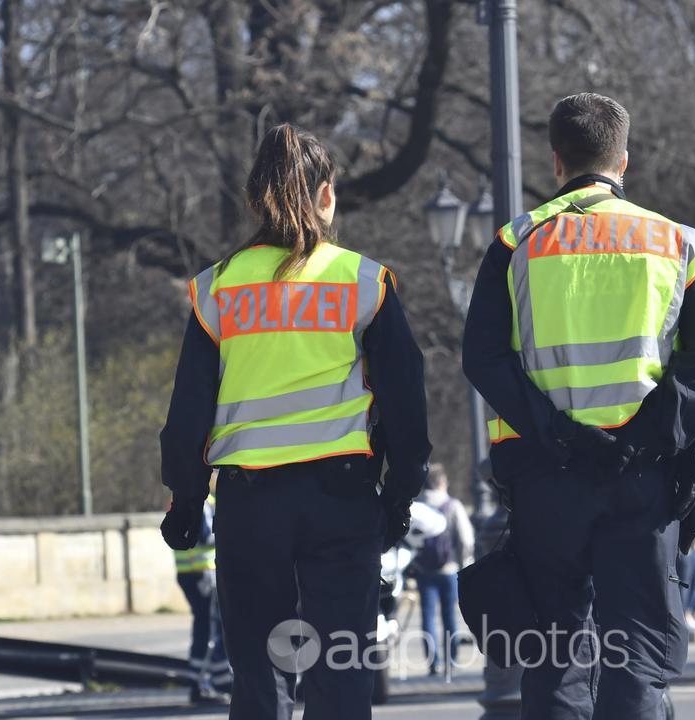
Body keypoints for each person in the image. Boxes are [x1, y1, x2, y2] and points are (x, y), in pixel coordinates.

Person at [462, 92, 695, 719]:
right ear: (624, 161)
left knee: (554, 654)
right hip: (640, 479)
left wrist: (555, 432)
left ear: (556, 161)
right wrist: (647, 435)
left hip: (547, 479)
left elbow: (483, 357)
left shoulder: (515, 243)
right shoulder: (676, 242)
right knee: (635, 653)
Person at [158, 124, 432, 720]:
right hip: (341, 499)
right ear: (327, 195)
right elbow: (407, 404)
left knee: (261, 681)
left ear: (256, 198)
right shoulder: (365, 282)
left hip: (250, 507)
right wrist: (399, 496)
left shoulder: (217, 290)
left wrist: (184, 504)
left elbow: (188, 415)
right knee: (339, 676)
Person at [173, 483, 233, 703]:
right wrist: (233, 535)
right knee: (207, 631)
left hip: (195, 573)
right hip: (202, 574)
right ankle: (201, 685)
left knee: (211, 629)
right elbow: (205, 536)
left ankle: (219, 680)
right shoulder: (201, 502)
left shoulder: (189, 499)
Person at [412, 464, 474, 675]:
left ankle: (432, 662)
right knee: (450, 616)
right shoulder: (453, 505)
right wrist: (464, 563)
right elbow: (466, 539)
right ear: (442, 482)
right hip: (449, 570)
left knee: (428, 616)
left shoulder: (417, 506)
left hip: (424, 570)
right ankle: (452, 660)